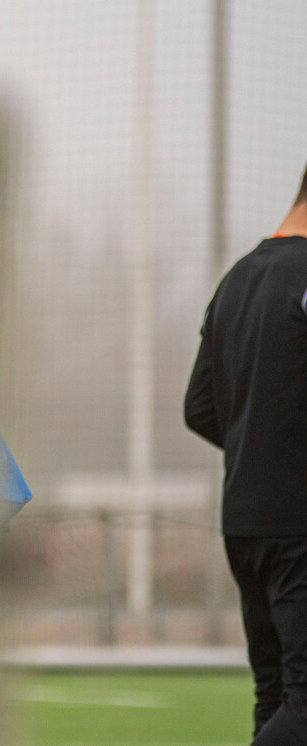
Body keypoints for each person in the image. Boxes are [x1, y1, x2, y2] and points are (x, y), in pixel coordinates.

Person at [185, 165, 307, 744]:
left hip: (245, 523)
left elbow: (199, 408)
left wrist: (259, 453)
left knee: (277, 694)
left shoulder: (234, 281)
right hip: (298, 528)